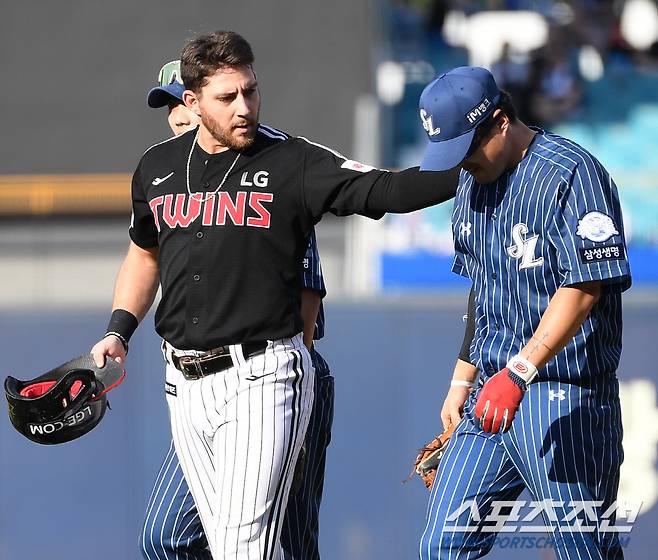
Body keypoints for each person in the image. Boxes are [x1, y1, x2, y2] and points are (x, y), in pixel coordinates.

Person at [91, 30, 459, 559]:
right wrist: (117, 331)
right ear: (191, 102)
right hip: (183, 384)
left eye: (251, 91)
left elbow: (386, 189)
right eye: (227, 97)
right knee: (221, 544)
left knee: (245, 546)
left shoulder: (291, 162)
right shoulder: (157, 167)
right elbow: (144, 254)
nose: (245, 106)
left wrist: (470, 163)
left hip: (261, 375)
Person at [417, 66, 630, 559]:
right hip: (490, 392)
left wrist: (520, 370)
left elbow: (584, 284)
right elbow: (482, 286)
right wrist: (461, 379)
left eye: (467, 148)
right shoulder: (471, 186)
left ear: (500, 121)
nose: (462, 163)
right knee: (442, 546)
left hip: (565, 393)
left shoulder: (571, 173)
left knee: (583, 550)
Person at [138, 60, 336, 560]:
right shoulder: (170, 179)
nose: (180, 117)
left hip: (273, 382)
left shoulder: (268, 178)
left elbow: (305, 315)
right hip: (200, 389)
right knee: (167, 538)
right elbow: (143, 259)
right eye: (171, 106)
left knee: (280, 545)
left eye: (186, 101)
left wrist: (283, 414)